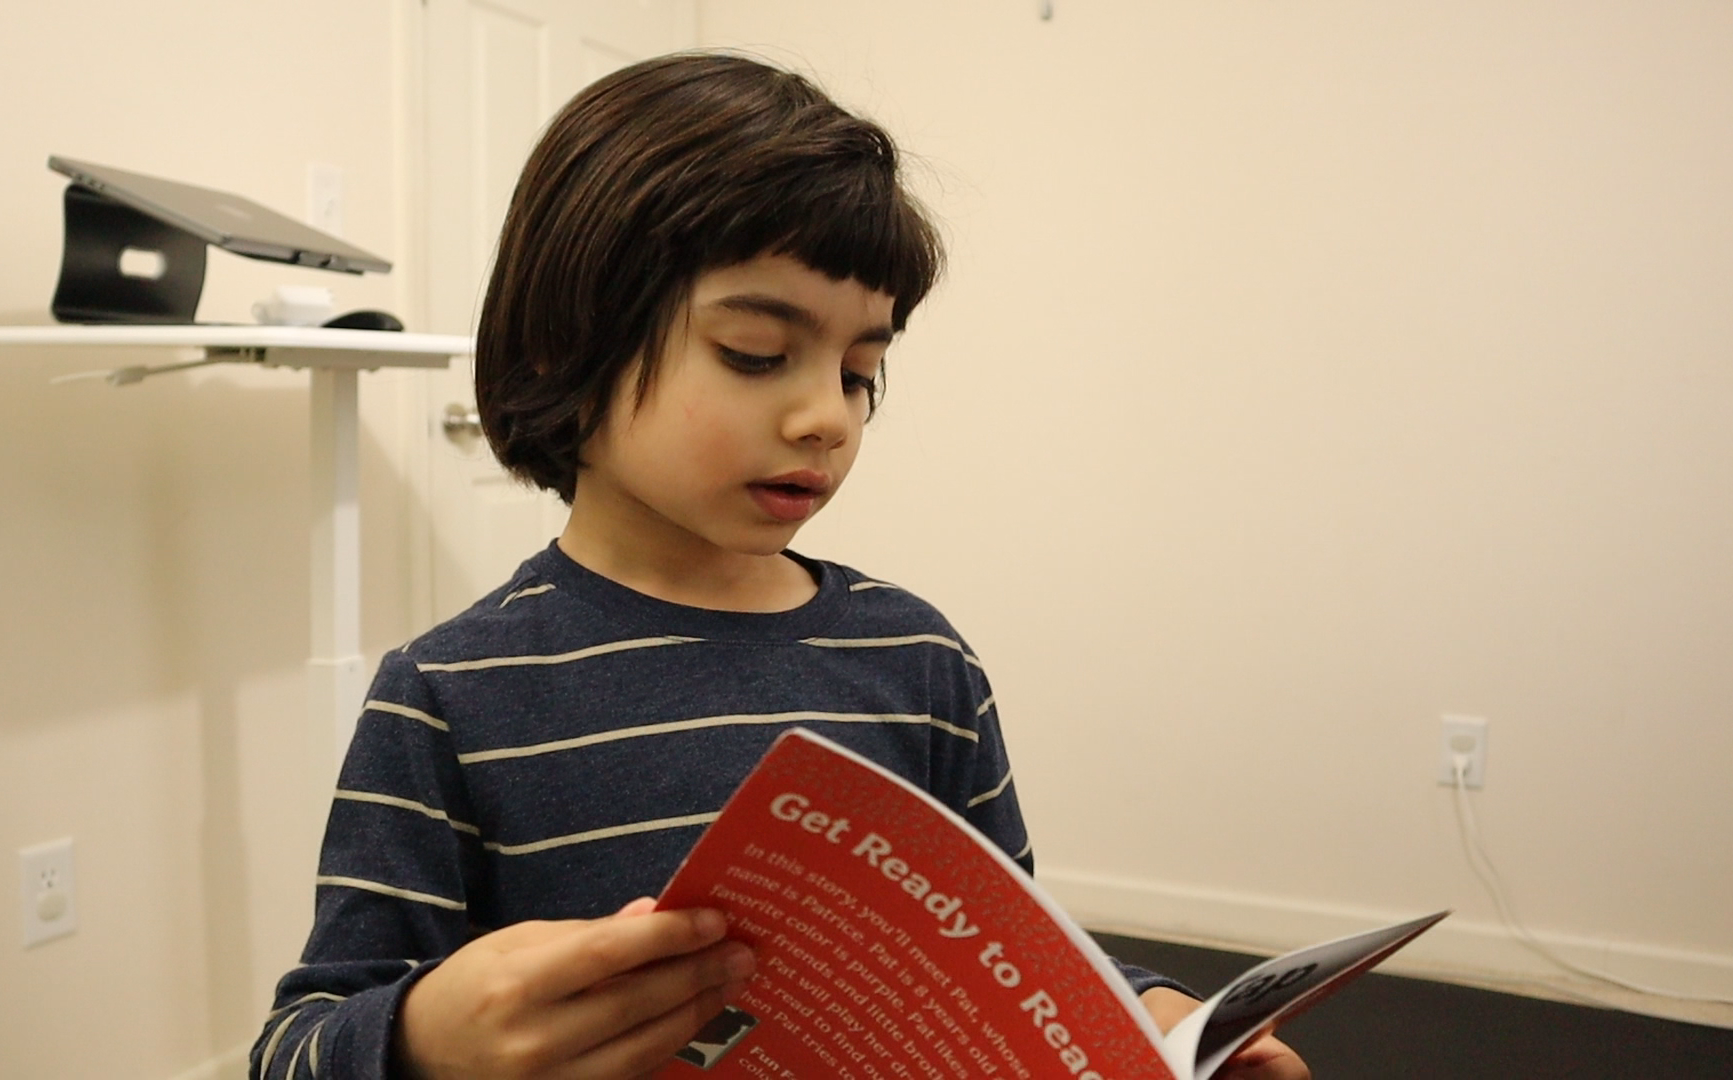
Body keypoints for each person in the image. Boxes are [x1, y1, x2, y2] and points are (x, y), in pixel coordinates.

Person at [253, 51, 1309, 1080]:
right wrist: (426, 1039)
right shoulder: (452, 696)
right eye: (757, 354)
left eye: (860, 371)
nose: (824, 418)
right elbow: (299, 1044)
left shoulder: (916, 656)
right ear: (562, 345)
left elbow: (1005, 964)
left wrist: (1159, 1019)